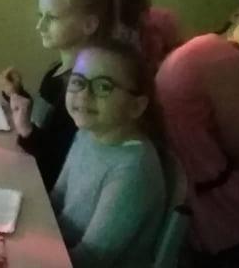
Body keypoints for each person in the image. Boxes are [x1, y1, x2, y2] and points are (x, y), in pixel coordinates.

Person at [156, 0, 239, 264]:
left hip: (175, 173)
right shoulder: (226, 59)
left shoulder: (208, 44)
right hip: (200, 187)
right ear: (238, 14)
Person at [51, 40, 166, 268]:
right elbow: (56, 198)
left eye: (103, 86)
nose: (84, 95)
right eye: (78, 82)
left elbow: (91, 259)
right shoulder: (87, 133)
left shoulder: (133, 169)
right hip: (59, 248)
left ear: (136, 106)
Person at [4, 0, 115, 188]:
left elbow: (59, 162)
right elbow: (46, 123)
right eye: (40, 16)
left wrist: (27, 131)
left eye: (52, 18)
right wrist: (17, 94)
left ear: (89, 25)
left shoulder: (82, 89)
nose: (40, 26)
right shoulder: (57, 71)